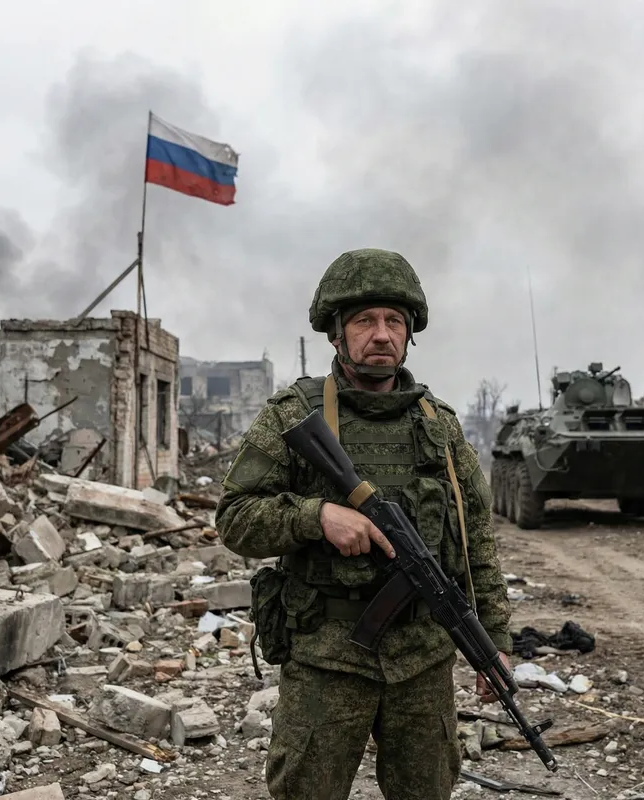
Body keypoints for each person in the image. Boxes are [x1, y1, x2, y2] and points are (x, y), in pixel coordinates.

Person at [215, 248, 512, 800]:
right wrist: (315, 516)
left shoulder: (439, 427)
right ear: (336, 333)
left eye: (394, 321)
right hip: (327, 658)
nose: (381, 334)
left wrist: (492, 641)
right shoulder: (291, 416)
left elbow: (477, 545)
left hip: (423, 661)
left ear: (410, 333)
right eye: (364, 321)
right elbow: (234, 518)